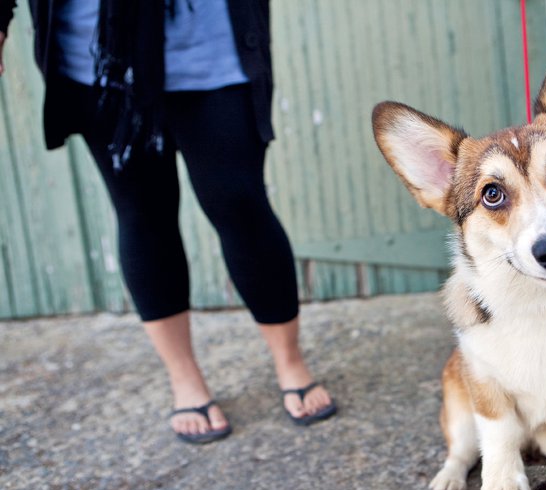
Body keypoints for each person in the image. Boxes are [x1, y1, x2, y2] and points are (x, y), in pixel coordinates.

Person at [0, 0, 337, 442]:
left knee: (241, 203)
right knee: (143, 214)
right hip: (101, 58)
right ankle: (184, 378)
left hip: (213, 47)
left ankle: (290, 360)